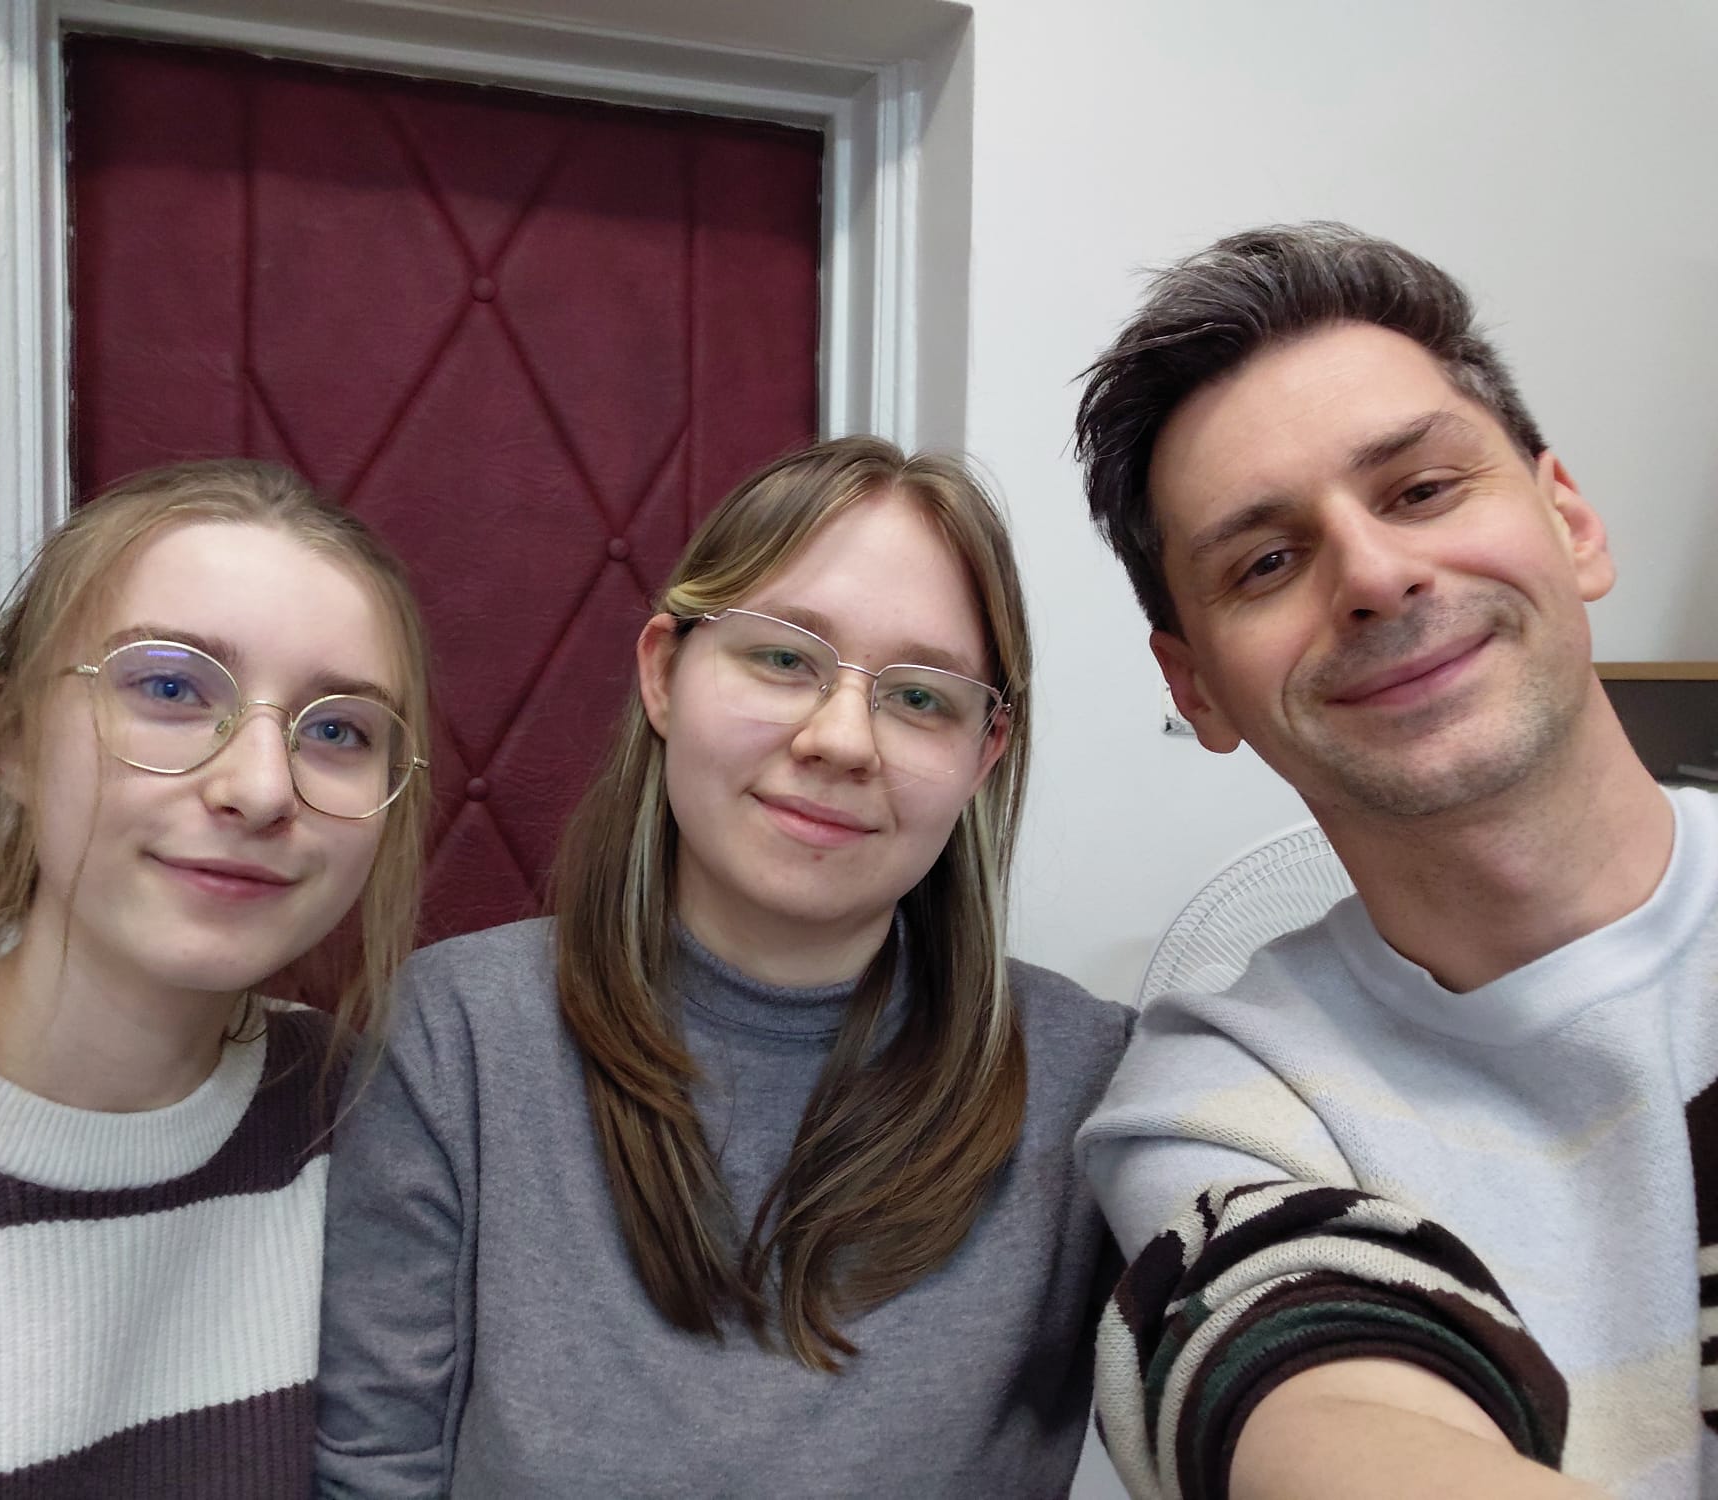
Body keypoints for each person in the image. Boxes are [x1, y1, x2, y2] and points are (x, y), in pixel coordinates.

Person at [314, 436, 1129, 1497]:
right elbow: (374, 1466)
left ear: (984, 755)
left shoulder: (1092, 1080)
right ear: (663, 673)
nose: (843, 740)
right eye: (784, 658)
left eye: (920, 697)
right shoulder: (454, 1037)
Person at [1071, 223, 1714, 1500]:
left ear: (1569, 521)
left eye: (1420, 490)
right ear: (1195, 688)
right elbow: (1316, 1397)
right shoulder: (1219, 1101)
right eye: (1265, 562)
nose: (1372, 574)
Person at [0, 460, 433, 1498]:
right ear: (11, 738)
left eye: (337, 731)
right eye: (171, 688)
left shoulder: (373, 1125)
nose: (260, 787)